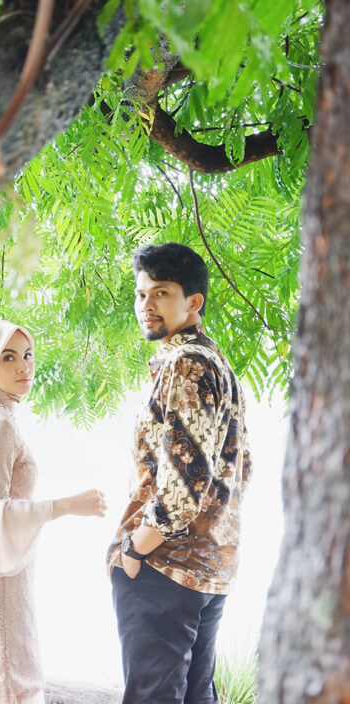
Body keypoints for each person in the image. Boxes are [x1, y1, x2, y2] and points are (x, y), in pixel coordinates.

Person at [0, 320, 106, 704]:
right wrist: (68, 505)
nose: (24, 366)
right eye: (7, 357)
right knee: (5, 680)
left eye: (27, 355)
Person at [107, 242, 253, 704]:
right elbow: (243, 469)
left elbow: (182, 489)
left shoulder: (186, 364)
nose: (146, 304)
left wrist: (134, 548)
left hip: (166, 566)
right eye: (141, 293)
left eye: (161, 293)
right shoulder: (219, 364)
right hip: (211, 565)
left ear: (194, 302)